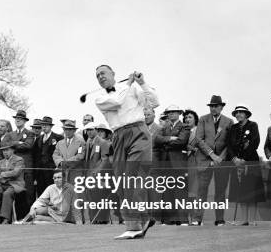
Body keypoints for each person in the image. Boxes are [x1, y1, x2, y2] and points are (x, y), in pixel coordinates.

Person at [94, 65, 159, 239]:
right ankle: (136, 223)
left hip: (138, 132)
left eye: (103, 73)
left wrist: (142, 82)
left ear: (113, 74)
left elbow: (154, 102)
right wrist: (129, 84)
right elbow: (117, 101)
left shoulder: (131, 88)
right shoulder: (100, 98)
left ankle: (139, 221)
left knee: (134, 175)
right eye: (97, 75)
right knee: (122, 184)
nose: (100, 77)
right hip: (118, 137)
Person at [196, 95, 233, 226]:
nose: (213, 108)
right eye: (211, 106)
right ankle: (197, 219)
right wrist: (212, 155)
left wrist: (221, 158)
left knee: (220, 191)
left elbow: (230, 143)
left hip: (221, 162)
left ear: (221, 107)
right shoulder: (203, 119)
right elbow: (199, 139)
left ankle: (219, 219)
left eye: (216, 106)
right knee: (201, 190)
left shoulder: (229, 121)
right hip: (205, 160)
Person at [226, 105, 264, 226]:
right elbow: (229, 145)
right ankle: (244, 219)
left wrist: (244, 159)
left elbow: (255, 142)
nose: (238, 115)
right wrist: (234, 159)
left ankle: (252, 220)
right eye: (237, 113)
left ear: (246, 114)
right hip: (236, 163)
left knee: (252, 191)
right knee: (240, 191)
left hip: (251, 162)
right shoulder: (233, 127)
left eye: (241, 112)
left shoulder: (253, 125)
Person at [154, 105, 189, 226]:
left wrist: (166, 143)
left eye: (174, 112)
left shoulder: (184, 126)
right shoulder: (165, 127)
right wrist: (169, 138)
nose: (171, 114)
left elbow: (181, 141)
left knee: (180, 192)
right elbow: (156, 139)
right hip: (166, 163)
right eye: (169, 112)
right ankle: (169, 220)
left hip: (179, 163)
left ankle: (183, 219)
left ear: (179, 113)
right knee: (167, 192)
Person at [8, 110, 36, 219]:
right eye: (16, 118)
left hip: (26, 168)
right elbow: (6, 144)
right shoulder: (10, 134)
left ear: (25, 121)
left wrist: (14, 144)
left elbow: (27, 146)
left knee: (28, 194)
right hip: (15, 168)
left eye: (20, 118)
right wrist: (18, 143)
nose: (18, 120)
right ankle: (20, 218)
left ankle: (29, 218)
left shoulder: (30, 133)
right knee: (18, 193)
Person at [34, 116, 63, 198]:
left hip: (52, 171)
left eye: (46, 125)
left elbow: (60, 154)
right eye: (43, 125)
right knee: (41, 194)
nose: (44, 127)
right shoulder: (38, 139)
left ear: (51, 126)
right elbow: (36, 156)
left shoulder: (58, 138)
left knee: (53, 194)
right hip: (40, 172)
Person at [183, 109, 203, 225]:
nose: (187, 119)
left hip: (196, 163)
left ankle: (197, 218)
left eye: (190, 117)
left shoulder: (199, 131)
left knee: (195, 192)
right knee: (186, 192)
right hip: (184, 163)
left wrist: (193, 149)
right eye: (186, 117)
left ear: (195, 119)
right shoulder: (183, 131)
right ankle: (189, 218)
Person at [52, 119, 85, 185]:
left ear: (74, 130)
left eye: (70, 129)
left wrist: (66, 163)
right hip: (62, 173)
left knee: (75, 193)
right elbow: (55, 155)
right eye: (66, 129)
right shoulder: (59, 143)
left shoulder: (80, 142)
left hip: (75, 173)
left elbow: (80, 155)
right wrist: (61, 162)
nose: (67, 131)